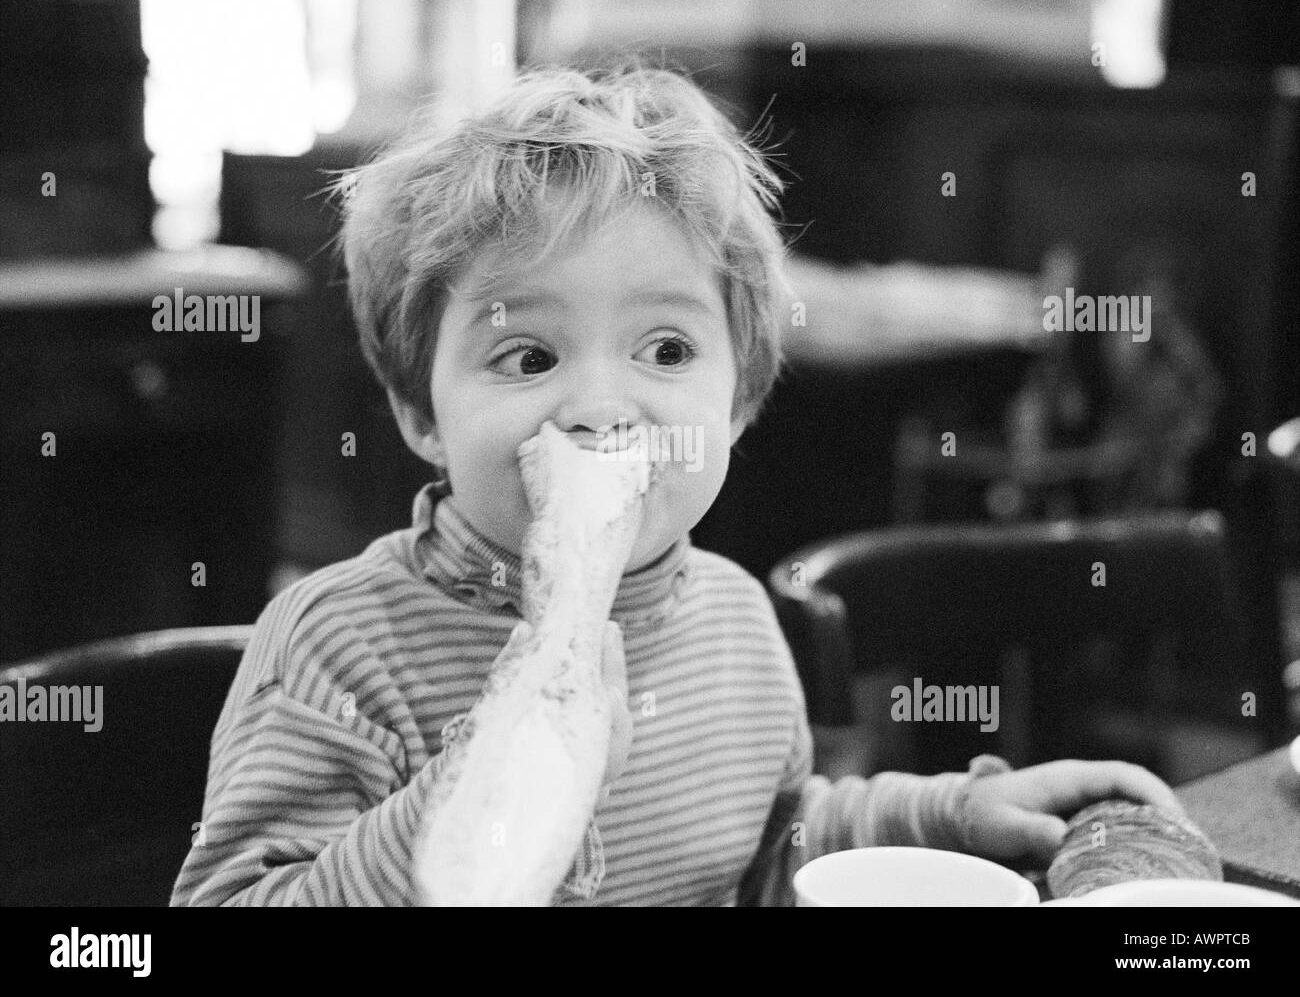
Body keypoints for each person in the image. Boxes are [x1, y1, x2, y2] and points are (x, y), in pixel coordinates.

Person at [171, 63, 1181, 906]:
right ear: (421, 416)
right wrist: (493, 773)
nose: (601, 407)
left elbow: (772, 849)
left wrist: (948, 814)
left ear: (737, 401)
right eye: (527, 357)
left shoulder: (736, 622)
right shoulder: (336, 645)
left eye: (663, 346)